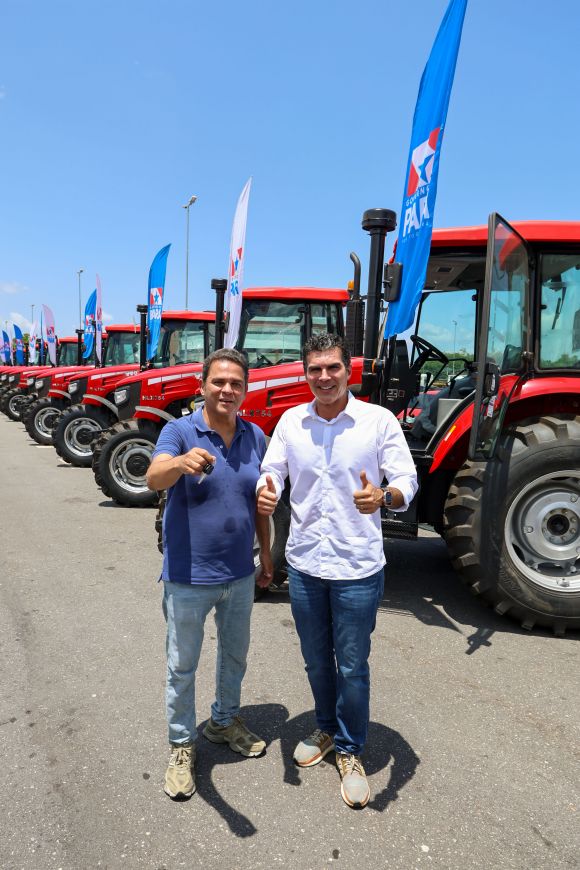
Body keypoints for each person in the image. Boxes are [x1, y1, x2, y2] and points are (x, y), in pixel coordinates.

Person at [257, 333, 417, 809]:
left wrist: (383, 496)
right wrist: (267, 487)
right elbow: (273, 469)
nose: (324, 377)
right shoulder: (292, 421)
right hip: (306, 563)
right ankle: (326, 728)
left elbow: (406, 480)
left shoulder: (377, 421)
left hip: (357, 566)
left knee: (351, 664)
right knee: (315, 659)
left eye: (333, 368)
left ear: (349, 371)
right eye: (315, 369)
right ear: (305, 373)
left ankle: (350, 749)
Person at [147, 348, 273, 800]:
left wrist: (267, 555)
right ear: (202, 386)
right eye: (218, 381)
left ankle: (223, 721)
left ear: (245, 390)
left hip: (239, 574)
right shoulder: (180, 431)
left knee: (234, 657)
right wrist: (180, 463)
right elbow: (153, 476)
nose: (227, 390)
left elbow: (259, 502)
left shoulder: (256, 436)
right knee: (182, 666)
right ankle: (182, 745)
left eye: (236, 383)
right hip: (188, 576)